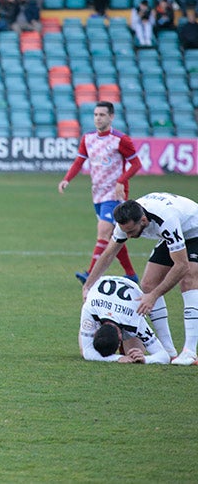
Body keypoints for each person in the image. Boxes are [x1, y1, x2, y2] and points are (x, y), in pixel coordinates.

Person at [83, 193, 198, 365]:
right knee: (147, 284)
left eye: (131, 231)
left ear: (143, 221)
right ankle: (169, 351)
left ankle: (190, 352)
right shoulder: (127, 219)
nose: (127, 236)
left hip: (194, 231)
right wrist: (88, 285)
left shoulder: (165, 220)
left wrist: (154, 296)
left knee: (188, 279)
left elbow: (181, 266)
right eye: (125, 231)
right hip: (176, 233)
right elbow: (109, 254)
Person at [59, 101, 140, 284]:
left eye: (102, 115)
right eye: (95, 115)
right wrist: (67, 179)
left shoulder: (121, 140)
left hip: (114, 194)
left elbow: (136, 164)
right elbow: (79, 161)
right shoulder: (88, 138)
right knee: (114, 235)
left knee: (103, 233)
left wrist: (121, 180)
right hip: (97, 193)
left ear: (111, 117)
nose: (98, 118)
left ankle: (91, 274)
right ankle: (131, 275)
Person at [80, 275, 170, 364]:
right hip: (103, 286)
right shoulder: (89, 309)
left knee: (134, 356)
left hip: (129, 290)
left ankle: (124, 346)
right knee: (84, 351)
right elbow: (87, 352)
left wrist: (145, 359)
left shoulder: (135, 322)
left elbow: (164, 356)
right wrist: (118, 358)